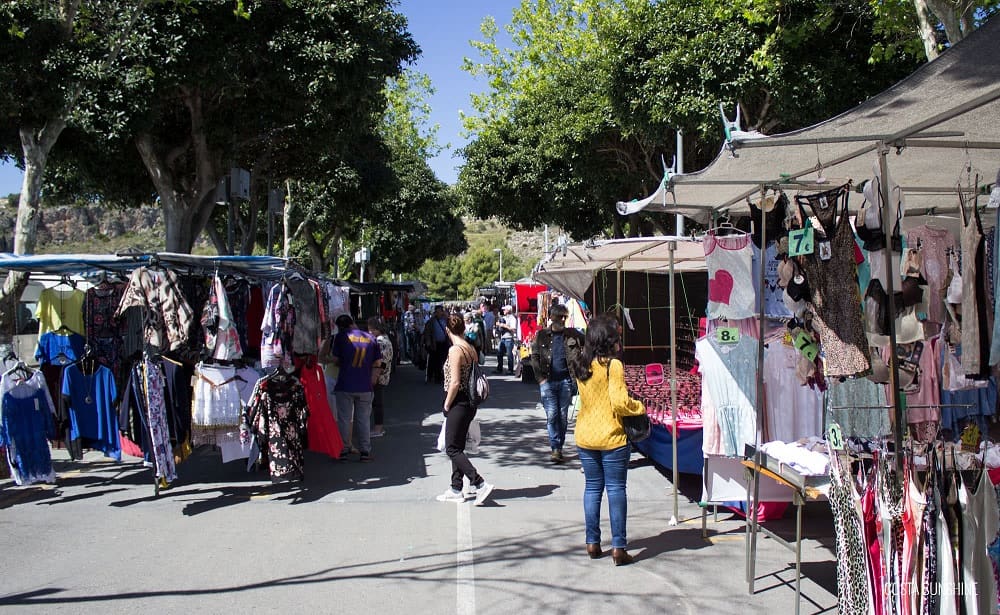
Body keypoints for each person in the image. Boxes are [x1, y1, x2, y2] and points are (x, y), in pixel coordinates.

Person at [569, 314, 646, 566]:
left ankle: (592, 542)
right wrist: (640, 407)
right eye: (617, 337)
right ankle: (618, 547)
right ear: (608, 340)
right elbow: (620, 402)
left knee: (592, 488)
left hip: (585, 435)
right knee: (615, 490)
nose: (619, 342)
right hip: (611, 436)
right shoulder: (613, 366)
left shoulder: (581, 363)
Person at [436, 314, 495, 505]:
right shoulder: (470, 348)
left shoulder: (455, 350)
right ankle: (455, 487)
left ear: (447, 330)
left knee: (452, 448)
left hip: (459, 402)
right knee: (458, 446)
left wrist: (446, 404)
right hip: (470, 403)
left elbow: (454, 382)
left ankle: (479, 483)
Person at [529, 303, 584, 463]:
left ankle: (559, 446)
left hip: (566, 381)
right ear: (551, 317)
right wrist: (540, 379)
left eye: (564, 316)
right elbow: (535, 356)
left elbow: (589, 345)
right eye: (558, 316)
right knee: (552, 415)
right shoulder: (541, 335)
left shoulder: (573, 334)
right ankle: (555, 448)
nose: (561, 319)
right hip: (548, 381)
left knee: (562, 416)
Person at [329, 314, 383, 462]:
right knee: (363, 419)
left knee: (344, 419)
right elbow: (378, 362)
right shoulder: (370, 338)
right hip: (364, 384)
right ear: (352, 323)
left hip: (345, 384)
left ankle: (344, 450)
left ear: (339, 326)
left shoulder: (340, 337)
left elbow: (335, 359)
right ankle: (365, 452)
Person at [367, 318, 393, 438]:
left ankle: (378, 428)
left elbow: (381, 363)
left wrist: (375, 375)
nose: (369, 332)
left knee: (377, 403)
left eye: (371, 329)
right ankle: (378, 428)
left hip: (379, 377)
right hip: (381, 376)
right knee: (377, 403)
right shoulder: (384, 340)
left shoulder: (381, 342)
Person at [423, 305, 450, 384]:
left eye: (440, 311)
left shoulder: (446, 320)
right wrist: (428, 341)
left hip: (444, 343)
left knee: (445, 360)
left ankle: (444, 376)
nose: (438, 313)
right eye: (437, 311)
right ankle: (436, 376)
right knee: (435, 361)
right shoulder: (431, 321)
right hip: (435, 344)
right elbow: (427, 331)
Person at [495, 305, 518, 374]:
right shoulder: (503, 318)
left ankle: (510, 370)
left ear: (509, 310)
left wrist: (504, 325)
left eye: (505, 309)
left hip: (509, 338)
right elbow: (499, 327)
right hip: (503, 338)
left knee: (509, 354)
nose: (503, 311)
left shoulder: (512, 318)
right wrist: (498, 325)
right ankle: (499, 369)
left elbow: (514, 330)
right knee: (499, 353)